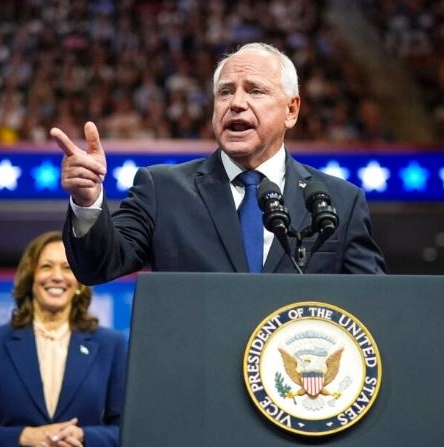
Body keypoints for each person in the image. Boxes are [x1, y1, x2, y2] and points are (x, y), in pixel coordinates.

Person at [50, 42, 386, 285]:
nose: (236, 103)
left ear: (291, 110)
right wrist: (87, 201)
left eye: (255, 91)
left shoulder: (339, 201)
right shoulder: (163, 189)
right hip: (197, 377)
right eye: (225, 92)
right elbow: (98, 267)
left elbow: (377, 307)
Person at [0, 231, 126, 447]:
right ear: (30, 276)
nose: (57, 276)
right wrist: (26, 436)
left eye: (68, 267)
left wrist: (84, 437)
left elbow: (127, 432)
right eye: (46, 266)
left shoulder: (111, 345)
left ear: (80, 283)